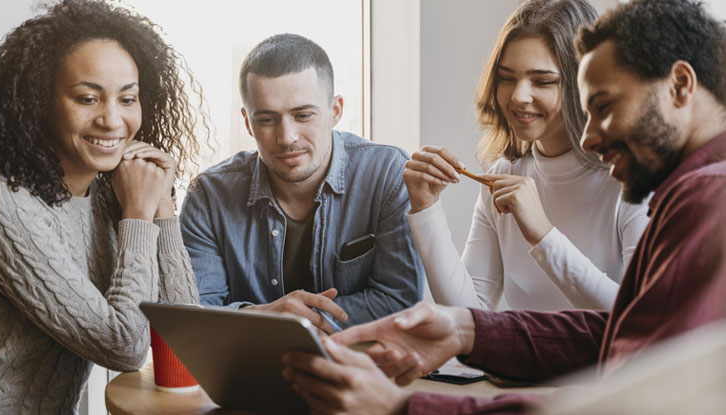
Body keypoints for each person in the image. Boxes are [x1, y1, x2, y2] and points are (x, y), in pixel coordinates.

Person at [282, 0, 726, 413]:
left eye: (604, 106)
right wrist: (465, 329)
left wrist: (405, 407)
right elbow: (623, 336)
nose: (590, 136)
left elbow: (633, 393)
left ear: (681, 85)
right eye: (507, 78)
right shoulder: (682, 188)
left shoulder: (703, 197)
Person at [0, 0, 207, 413]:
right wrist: (138, 213)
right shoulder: (0, 205)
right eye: (87, 98)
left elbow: (187, 336)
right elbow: (124, 348)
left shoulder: (108, 192)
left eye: (127, 98)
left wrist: (163, 207)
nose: (112, 120)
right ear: (39, 101)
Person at [403, 0, 649, 311]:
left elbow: (636, 318)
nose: (518, 96)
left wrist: (543, 234)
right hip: (524, 360)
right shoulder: (503, 174)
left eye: (542, 81)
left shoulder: (631, 180)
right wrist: (426, 208)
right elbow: (468, 314)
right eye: (507, 78)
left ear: (584, 85)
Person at [180, 33, 425, 332]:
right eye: (267, 120)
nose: (287, 137)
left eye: (303, 115)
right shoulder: (209, 195)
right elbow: (196, 313)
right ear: (247, 122)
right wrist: (269, 315)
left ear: (335, 111)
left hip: (362, 368)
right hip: (245, 371)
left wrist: (291, 319)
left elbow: (401, 302)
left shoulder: (387, 173)